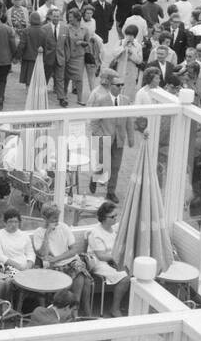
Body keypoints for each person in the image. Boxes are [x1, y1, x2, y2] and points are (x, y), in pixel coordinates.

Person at [32, 203, 90, 313]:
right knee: (84, 279)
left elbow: (74, 250)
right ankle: (79, 311)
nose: (57, 221)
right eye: (54, 219)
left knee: (80, 272)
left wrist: (57, 258)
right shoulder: (39, 233)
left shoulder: (63, 227)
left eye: (57, 218)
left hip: (69, 261)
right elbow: (43, 254)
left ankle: (75, 310)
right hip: (53, 267)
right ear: (44, 218)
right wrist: (47, 234)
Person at [88, 69, 131, 201]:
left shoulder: (125, 100)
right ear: (110, 85)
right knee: (102, 164)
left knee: (115, 166)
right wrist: (99, 135)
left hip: (119, 139)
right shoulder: (100, 98)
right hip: (104, 137)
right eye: (118, 85)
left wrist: (131, 137)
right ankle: (95, 178)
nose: (120, 87)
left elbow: (129, 119)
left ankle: (111, 191)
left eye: (121, 85)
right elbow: (93, 121)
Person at [85, 201, 131, 316]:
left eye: (116, 215)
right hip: (100, 263)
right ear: (104, 218)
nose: (115, 218)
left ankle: (130, 303)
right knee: (124, 277)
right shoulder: (95, 234)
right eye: (112, 216)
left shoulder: (114, 228)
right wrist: (117, 257)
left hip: (114, 259)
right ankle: (115, 308)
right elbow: (101, 256)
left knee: (136, 269)